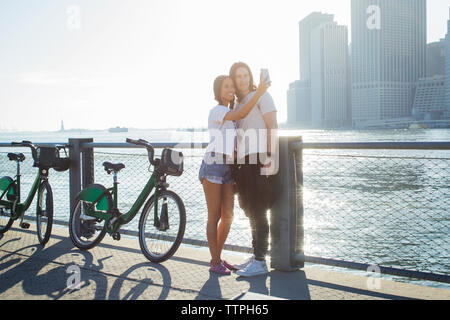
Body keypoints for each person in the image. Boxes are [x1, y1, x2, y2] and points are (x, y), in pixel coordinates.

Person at [199, 73, 270, 275]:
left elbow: (233, 139)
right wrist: (260, 93)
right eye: (226, 86)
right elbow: (241, 115)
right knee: (214, 215)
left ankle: (217, 258)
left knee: (228, 216)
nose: (231, 89)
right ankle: (214, 262)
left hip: (228, 167)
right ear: (218, 91)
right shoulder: (218, 111)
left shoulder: (229, 117)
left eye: (232, 86)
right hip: (213, 165)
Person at [228, 62, 279, 277]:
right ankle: (256, 255)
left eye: (245, 75)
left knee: (259, 210)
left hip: (259, 158)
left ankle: (260, 261)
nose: (242, 79)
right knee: (250, 209)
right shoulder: (238, 105)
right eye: (238, 76)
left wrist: (270, 157)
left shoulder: (263, 96)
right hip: (244, 163)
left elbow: (273, 126)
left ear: (250, 77)